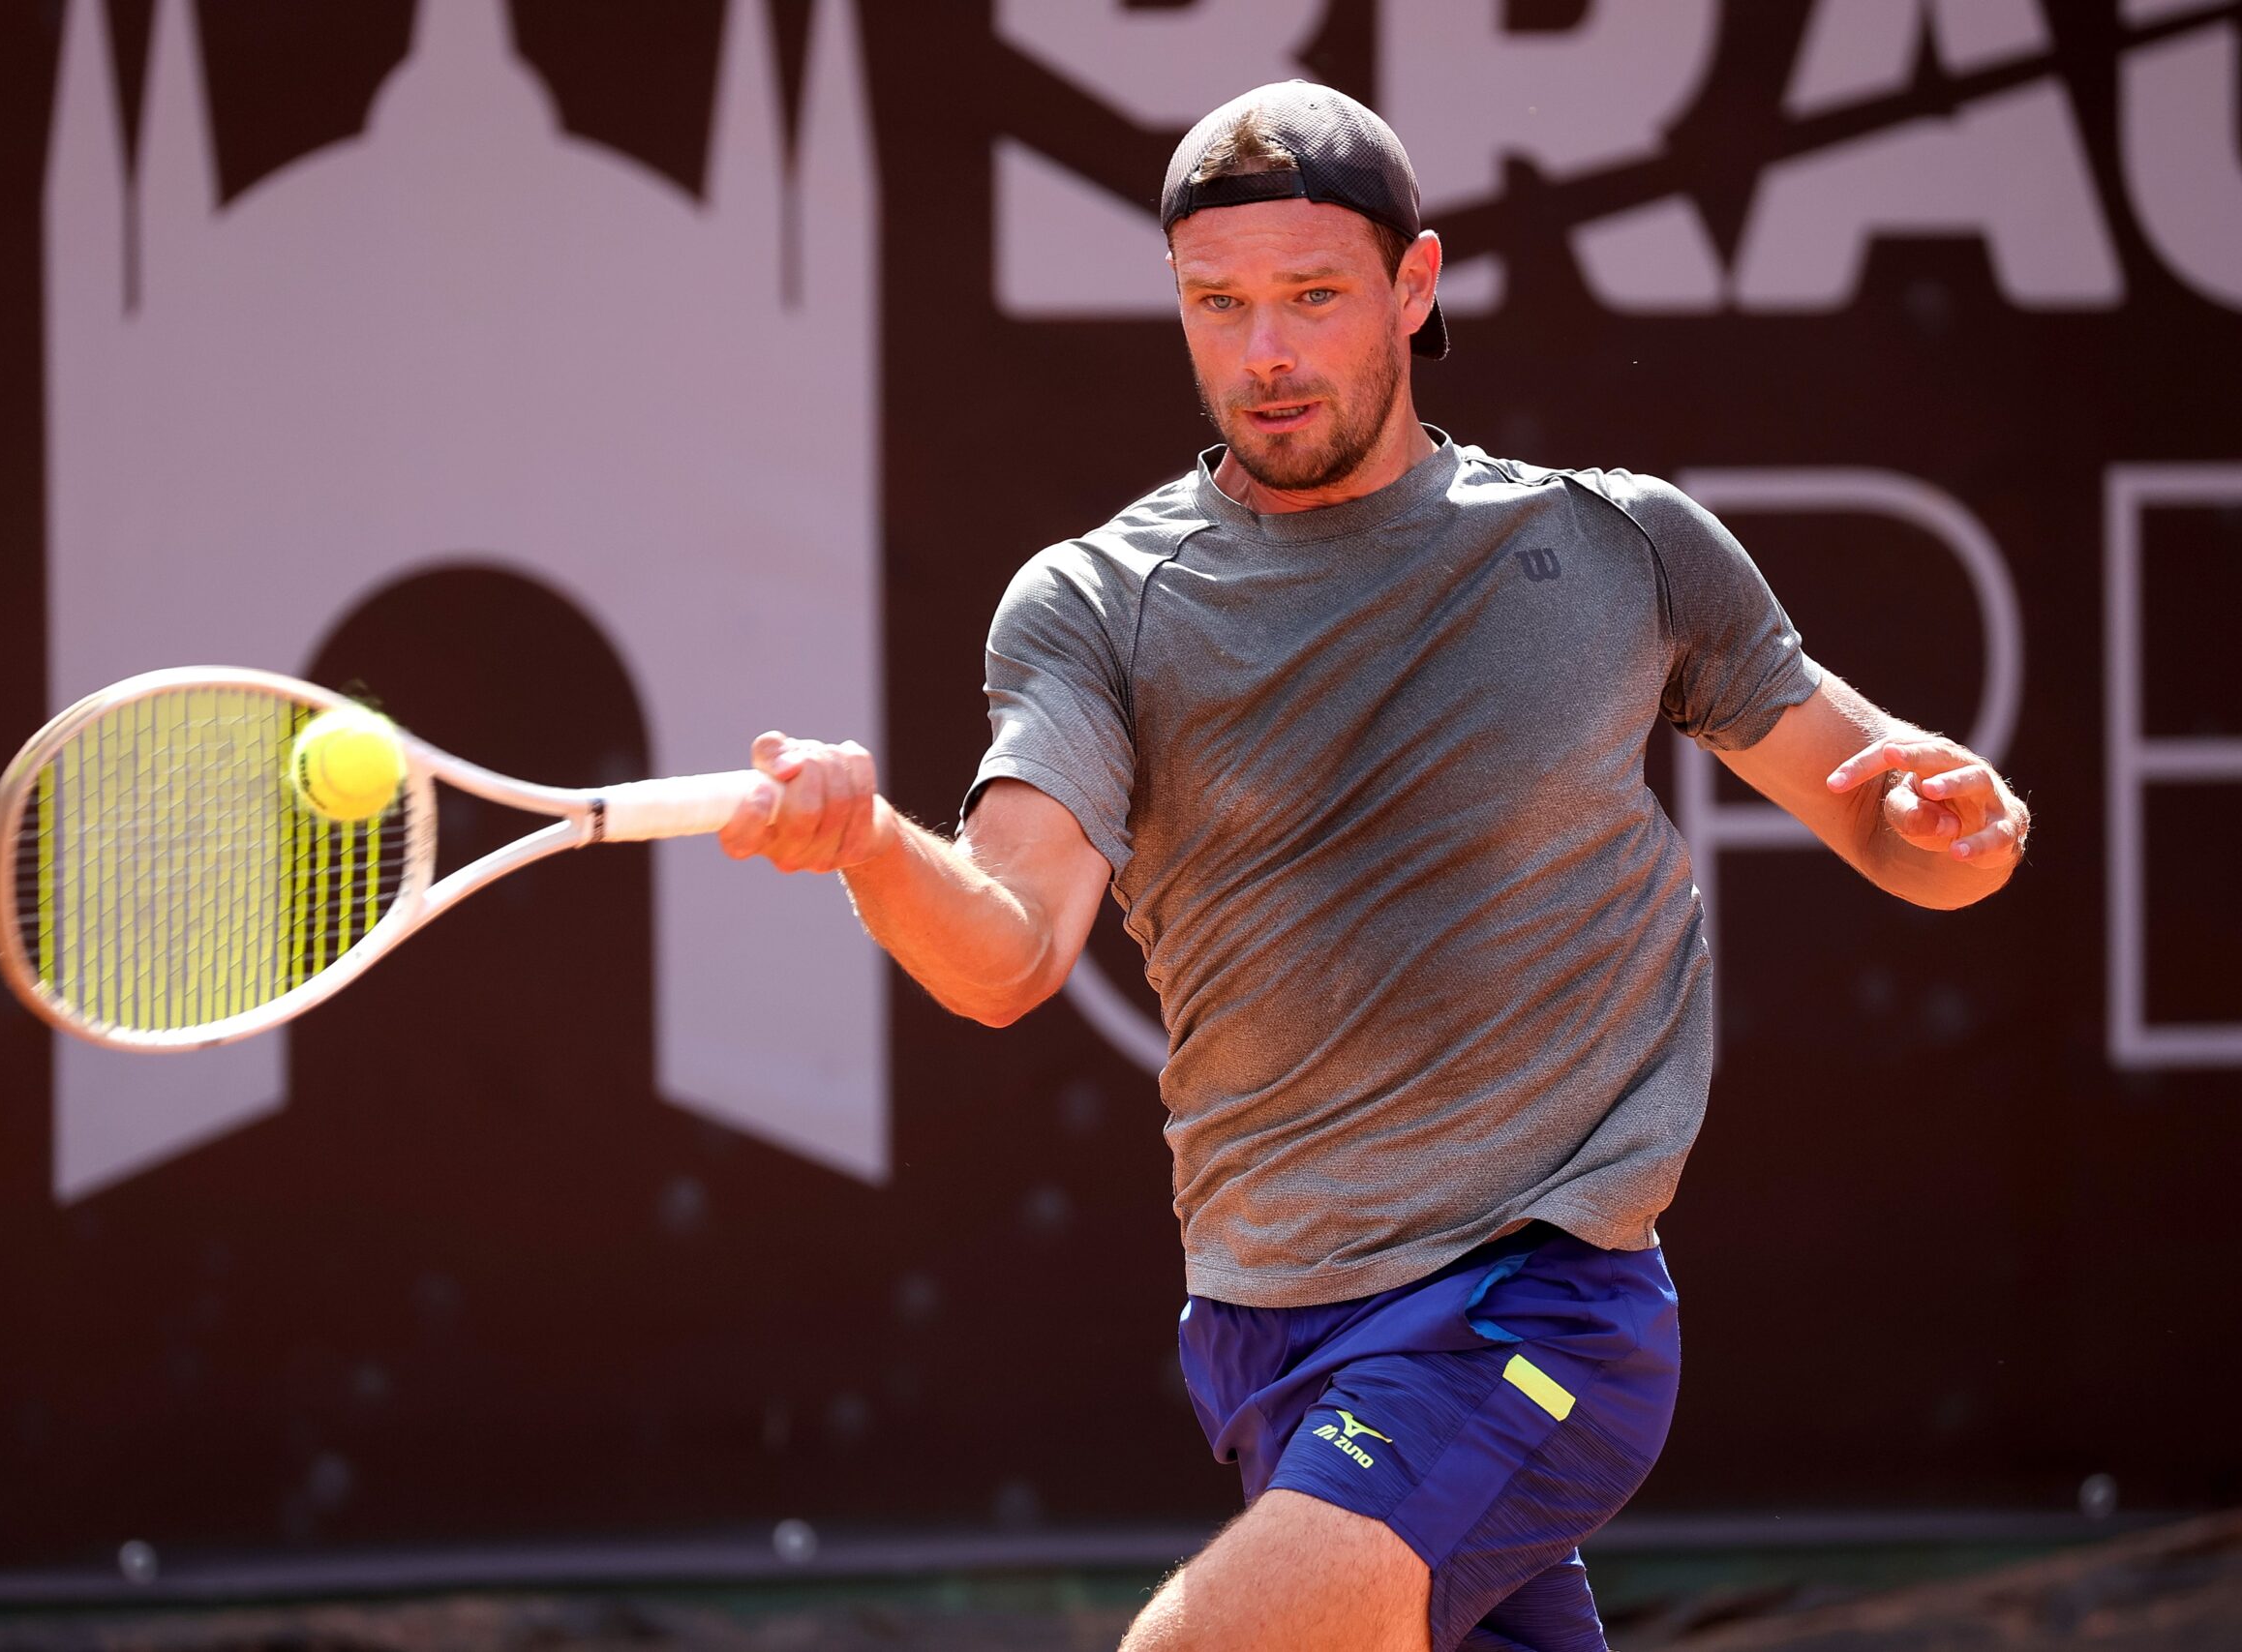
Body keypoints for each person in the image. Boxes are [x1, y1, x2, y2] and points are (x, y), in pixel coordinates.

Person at [715, 80, 2029, 1652]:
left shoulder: (1620, 549)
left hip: (1532, 1309)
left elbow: (1896, 827)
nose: (1265, 354)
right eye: (1220, 305)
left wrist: (1962, 829)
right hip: (1269, 1335)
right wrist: (867, 845)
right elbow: (1003, 954)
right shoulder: (1096, 606)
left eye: (1314, 298)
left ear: (1413, 287)